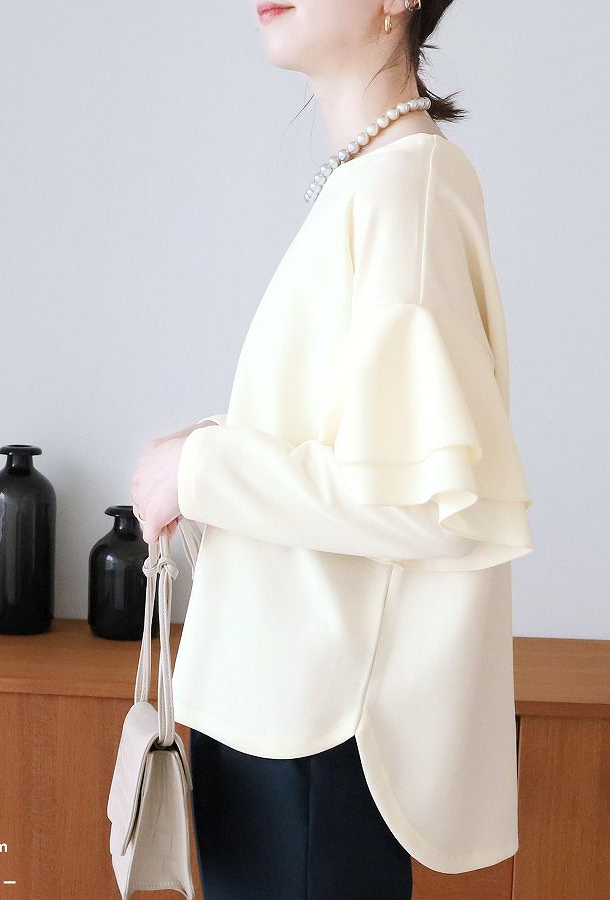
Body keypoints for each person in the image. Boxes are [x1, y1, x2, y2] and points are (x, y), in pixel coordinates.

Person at [130, 0, 534, 897]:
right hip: (286, 712)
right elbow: (361, 446)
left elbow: (431, 503)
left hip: (316, 729)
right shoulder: (378, 178)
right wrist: (209, 447)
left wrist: (201, 472)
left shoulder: (406, 188)